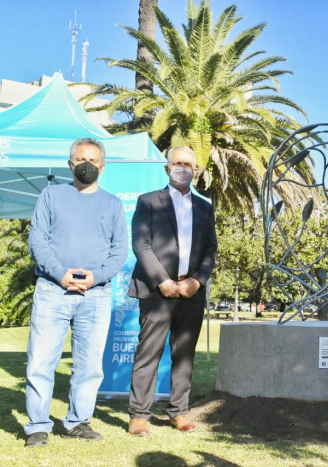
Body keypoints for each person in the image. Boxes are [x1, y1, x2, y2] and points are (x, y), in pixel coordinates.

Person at [24, 138, 128, 447]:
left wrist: (95, 277)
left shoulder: (113, 204)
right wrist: (61, 273)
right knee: (41, 362)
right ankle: (38, 426)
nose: (86, 165)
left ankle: (77, 421)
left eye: (93, 160)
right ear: (70, 164)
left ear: (102, 166)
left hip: (95, 295)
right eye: (80, 159)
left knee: (90, 366)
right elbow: (38, 241)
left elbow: (119, 251)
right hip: (52, 290)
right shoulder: (50, 195)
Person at [127, 147, 217, 436]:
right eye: (177, 163)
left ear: (196, 170)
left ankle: (179, 411)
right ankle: (139, 414)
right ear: (167, 168)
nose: (182, 168)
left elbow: (210, 249)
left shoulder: (205, 207)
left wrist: (198, 281)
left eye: (188, 164)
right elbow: (141, 244)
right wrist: (162, 280)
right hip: (156, 291)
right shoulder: (148, 201)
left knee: (184, 354)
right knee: (148, 352)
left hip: (191, 292)